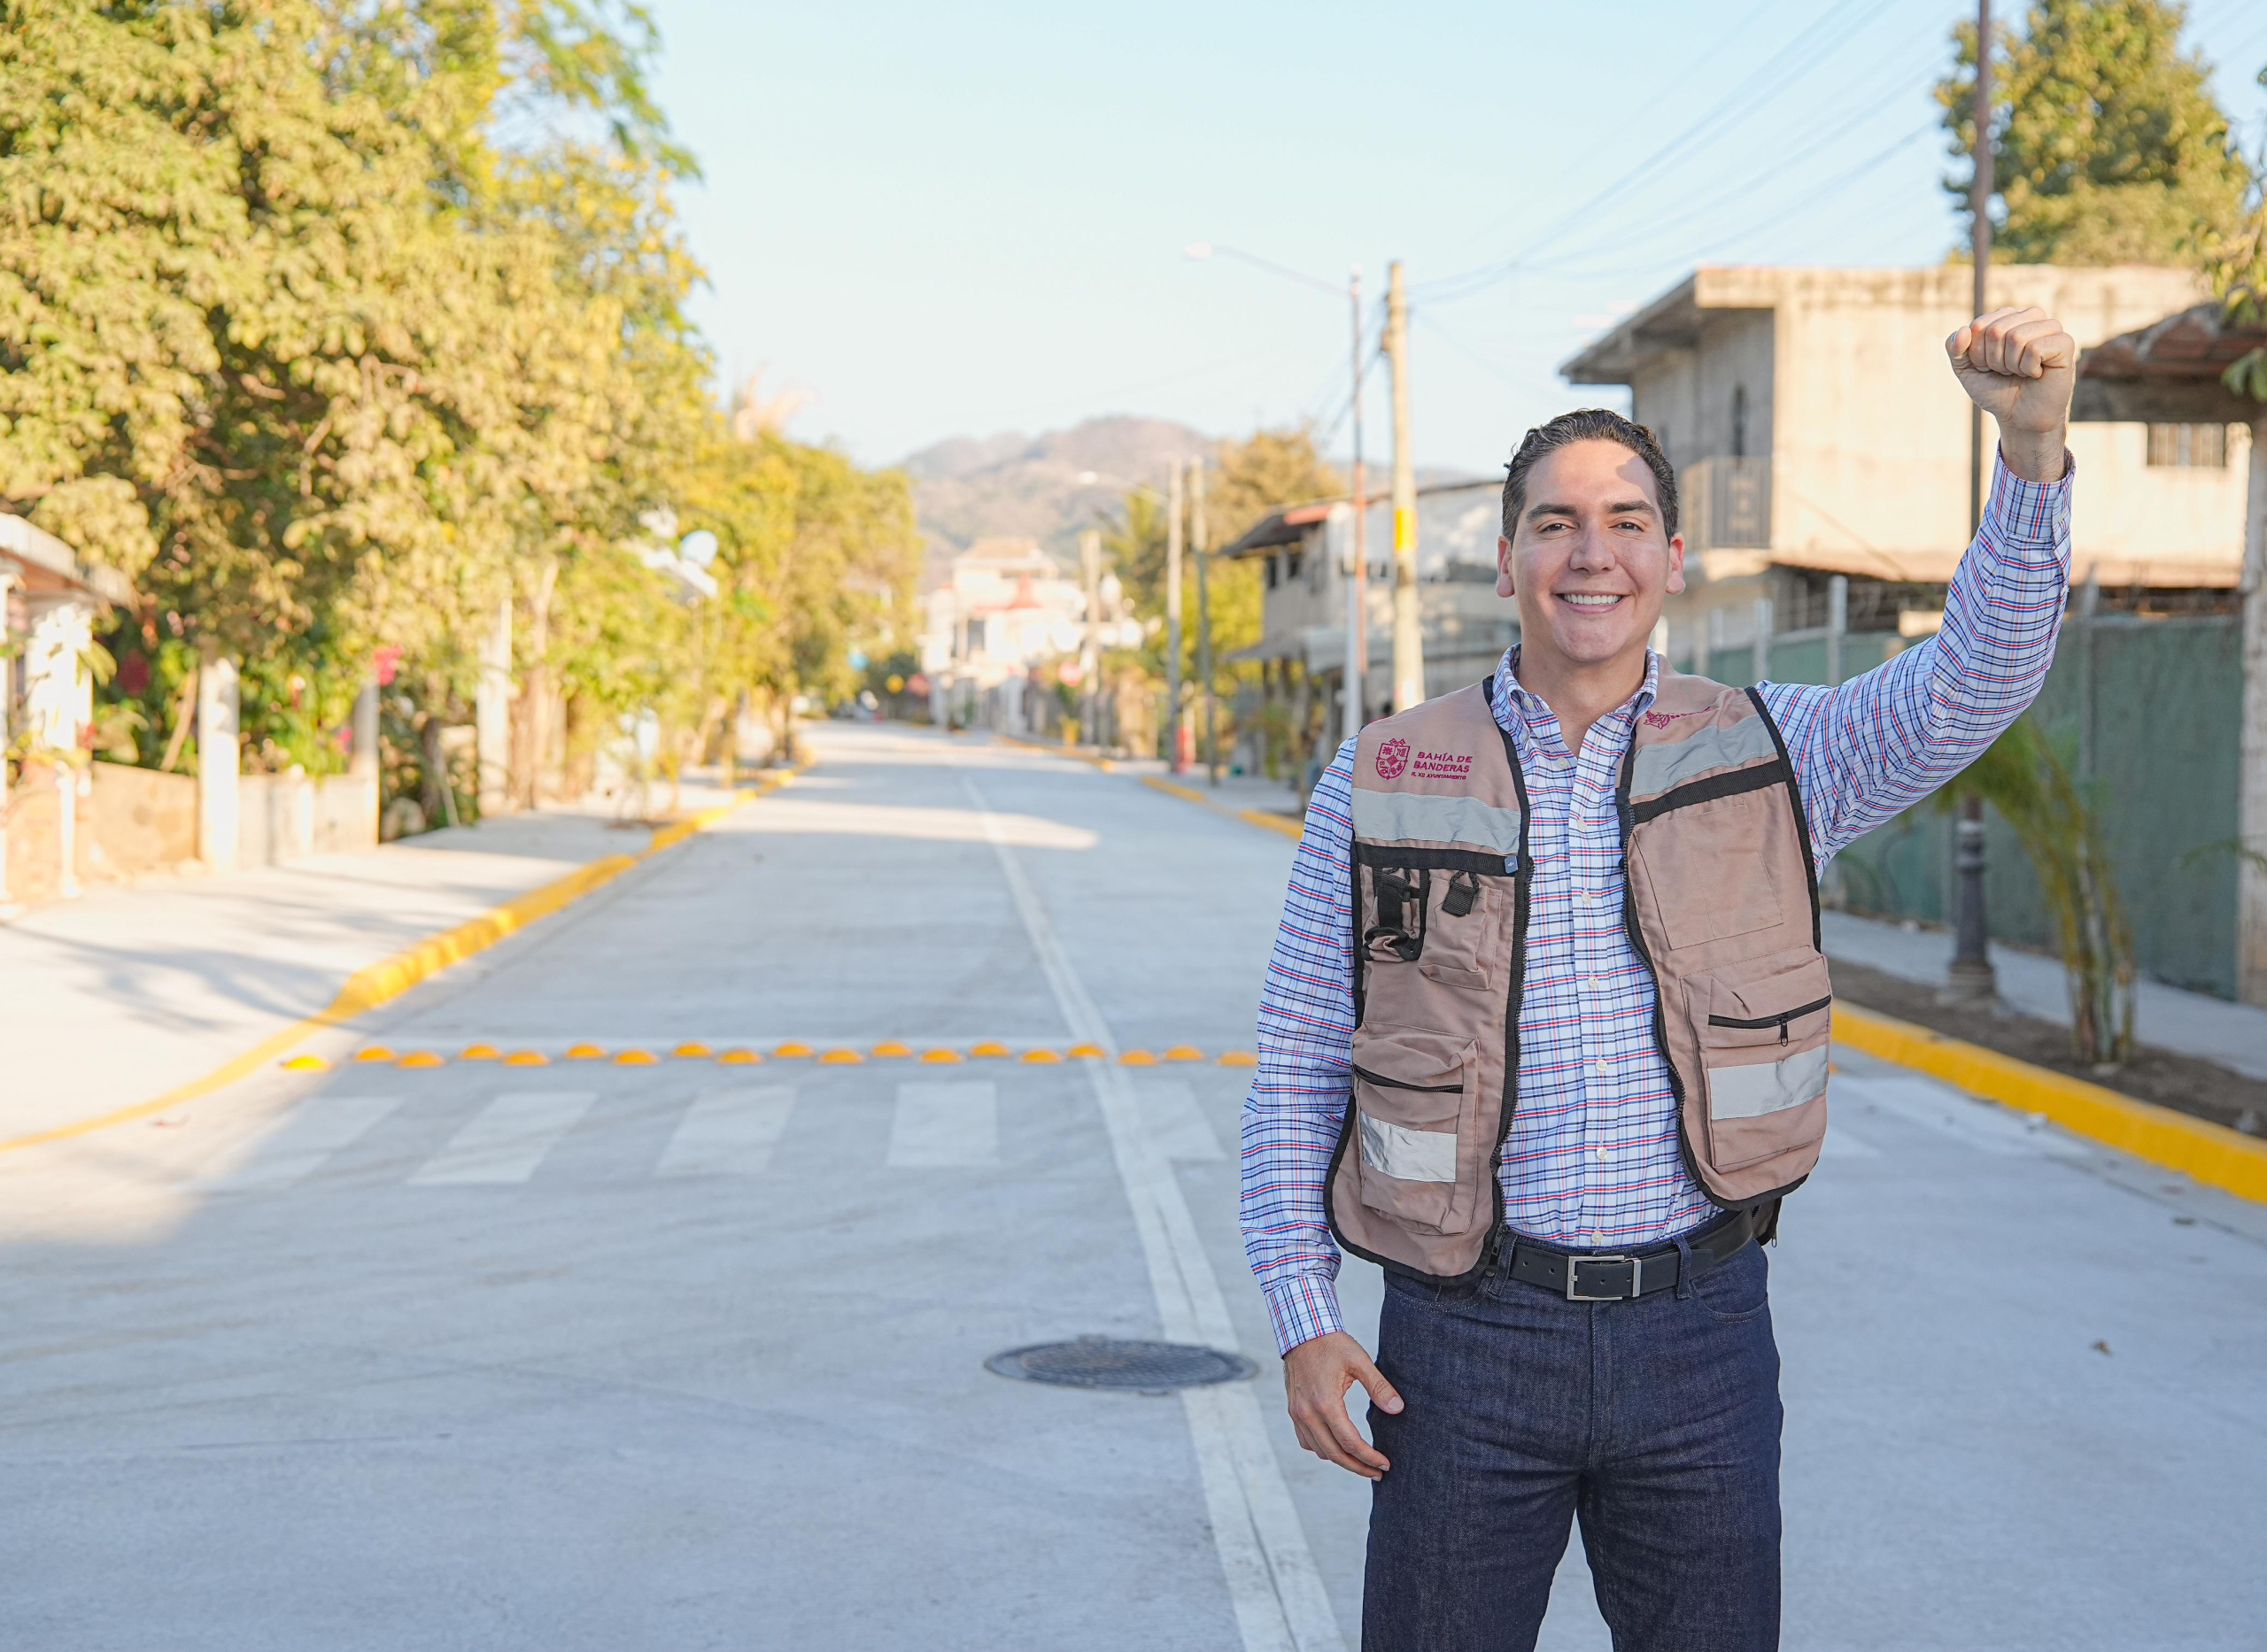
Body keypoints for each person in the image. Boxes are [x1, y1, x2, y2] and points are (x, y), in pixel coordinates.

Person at [1239, 307, 2077, 1651]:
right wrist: (1302, 1311)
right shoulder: (1382, 775)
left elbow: (1972, 684)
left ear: (1673, 561)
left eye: (1627, 521)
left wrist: (2030, 454)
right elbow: (1298, 1059)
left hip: (1701, 1340)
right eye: (1557, 523)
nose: (1593, 553)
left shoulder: (1776, 750)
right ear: (1507, 556)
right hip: (1461, 1340)